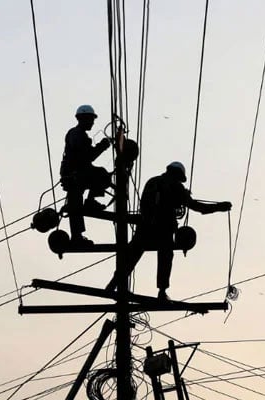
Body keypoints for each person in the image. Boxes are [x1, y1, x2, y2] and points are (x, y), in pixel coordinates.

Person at [109, 161, 231, 300]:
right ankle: (162, 292)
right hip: (163, 228)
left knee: (132, 255)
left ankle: (113, 285)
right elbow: (197, 207)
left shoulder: (152, 182)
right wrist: (219, 207)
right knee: (165, 256)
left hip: (144, 227)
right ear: (177, 175)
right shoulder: (176, 187)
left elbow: (144, 204)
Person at [60, 105, 112, 244]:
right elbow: (87, 157)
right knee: (101, 175)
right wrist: (102, 146)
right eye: (90, 119)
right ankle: (77, 235)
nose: (92, 122)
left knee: (75, 206)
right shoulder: (77, 135)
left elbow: (86, 158)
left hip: (76, 174)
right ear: (82, 119)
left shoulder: (78, 134)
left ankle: (77, 235)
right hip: (75, 176)